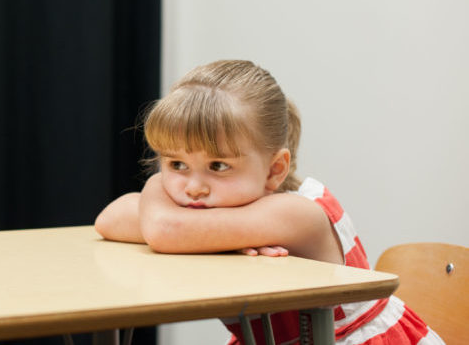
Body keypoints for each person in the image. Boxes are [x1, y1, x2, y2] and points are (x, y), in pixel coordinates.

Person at [94, 60, 444, 344]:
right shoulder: (210, 211)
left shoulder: (296, 213)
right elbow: (109, 220)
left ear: (275, 170)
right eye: (176, 163)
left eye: (218, 166)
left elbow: (163, 229)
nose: (193, 187)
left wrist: (158, 184)